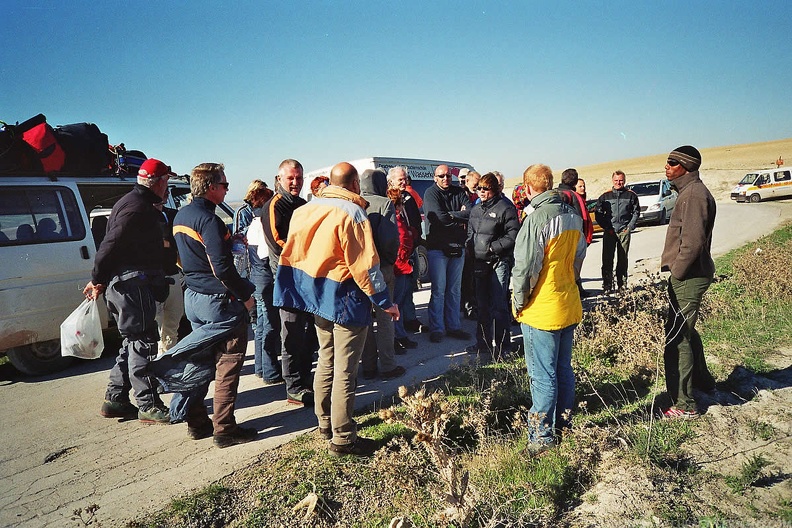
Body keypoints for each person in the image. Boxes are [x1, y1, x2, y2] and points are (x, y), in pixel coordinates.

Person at [274, 162, 399, 457]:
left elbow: (293, 253)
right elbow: (365, 266)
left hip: (317, 297)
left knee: (326, 360)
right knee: (345, 369)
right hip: (345, 298)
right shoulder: (353, 213)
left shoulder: (305, 209)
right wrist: (385, 302)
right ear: (355, 184)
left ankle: (325, 423)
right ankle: (343, 438)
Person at [154, 162, 257, 448]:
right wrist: (246, 295)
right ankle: (224, 428)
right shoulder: (209, 220)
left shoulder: (182, 215)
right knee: (228, 363)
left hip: (194, 297)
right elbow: (222, 269)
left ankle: (196, 422)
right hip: (219, 301)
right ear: (211, 187)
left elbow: (191, 255)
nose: (227, 188)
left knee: (199, 361)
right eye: (224, 184)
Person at [84, 158, 174, 423]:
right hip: (132, 285)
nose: (167, 187)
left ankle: (115, 399)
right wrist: (97, 277)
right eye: (166, 181)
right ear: (157, 182)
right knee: (144, 342)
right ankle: (148, 404)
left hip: (130, 283)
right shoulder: (136, 208)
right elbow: (109, 245)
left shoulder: (134, 202)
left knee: (133, 342)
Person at [512, 164, 586, 450]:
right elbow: (579, 258)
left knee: (542, 376)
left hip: (541, 309)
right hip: (568, 303)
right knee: (563, 369)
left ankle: (541, 438)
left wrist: (519, 302)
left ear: (528, 187)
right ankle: (565, 425)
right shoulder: (572, 214)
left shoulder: (536, 219)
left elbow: (526, 268)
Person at [661, 146, 717, 419]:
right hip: (692, 273)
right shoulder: (689, 192)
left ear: (686, 166)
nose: (667, 167)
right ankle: (704, 382)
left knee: (677, 337)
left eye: (672, 163)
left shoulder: (693, 195)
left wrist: (678, 272)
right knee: (688, 333)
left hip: (689, 275)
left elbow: (692, 243)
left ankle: (684, 404)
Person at [262, 159, 314, 405]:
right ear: (279, 179)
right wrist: (307, 252)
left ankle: (305, 377)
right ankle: (293, 385)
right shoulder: (274, 206)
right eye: (291, 178)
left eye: (299, 178)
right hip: (286, 280)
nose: (295, 183)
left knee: (310, 333)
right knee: (291, 333)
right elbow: (277, 242)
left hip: (308, 279)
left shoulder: (303, 205)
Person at [465, 172, 520, 358]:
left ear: (494, 189)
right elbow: (470, 234)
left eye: (485, 188)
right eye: (479, 188)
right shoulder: (476, 209)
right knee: (482, 306)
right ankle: (483, 344)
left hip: (499, 262)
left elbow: (512, 235)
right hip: (479, 263)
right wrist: (471, 249)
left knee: (499, 305)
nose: (481, 191)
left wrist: (492, 248)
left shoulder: (506, 208)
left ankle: (504, 346)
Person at [359, 168, 406, 379]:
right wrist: (388, 261)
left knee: (365, 319)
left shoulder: (355, 203)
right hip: (381, 267)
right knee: (386, 316)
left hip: (360, 269)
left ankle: (368, 366)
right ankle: (388, 365)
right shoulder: (384, 203)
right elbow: (390, 239)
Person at [423, 164, 471, 343]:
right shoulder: (431, 193)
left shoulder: (458, 191)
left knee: (454, 290)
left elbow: (471, 212)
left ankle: (454, 326)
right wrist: (458, 218)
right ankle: (437, 328)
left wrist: (451, 216)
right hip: (438, 249)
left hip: (457, 246)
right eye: (441, 176)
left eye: (448, 176)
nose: (445, 179)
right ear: (435, 177)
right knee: (439, 290)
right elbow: (439, 218)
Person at [241, 183, 281, 385]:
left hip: (256, 278)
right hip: (265, 279)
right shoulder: (263, 226)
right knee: (270, 326)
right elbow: (267, 256)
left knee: (260, 326)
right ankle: (271, 370)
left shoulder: (252, 225)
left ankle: (260, 367)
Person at [387, 166, 426, 333]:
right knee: (399, 291)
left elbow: (416, 219)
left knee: (411, 286)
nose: (404, 182)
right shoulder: (387, 199)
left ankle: (410, 320)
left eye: (405, 179)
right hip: (398, 253)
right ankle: (399, 327)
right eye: (400, 179)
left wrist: (415, 237)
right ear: (391, 181)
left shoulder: (409, 196)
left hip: (412, 247)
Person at [595, 170, 640, 291]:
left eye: (621, 180)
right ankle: (607, 284)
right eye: (616, 180)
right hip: (610, 232)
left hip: (624, 231)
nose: (618, 183)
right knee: (607, 259)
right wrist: (607, 227)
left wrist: (629, 227)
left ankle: (622, 284)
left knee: (623, 259)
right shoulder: (605, 196)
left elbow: (636, 212)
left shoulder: (631, 195)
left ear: (624, 181)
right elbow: (598, 214)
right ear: (612, 181)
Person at [155, 197, 184, 355]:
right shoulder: (139, 215)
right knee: (154, 325)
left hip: (172, 273)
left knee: (173, 321)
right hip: (150, 278)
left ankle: (166, 361)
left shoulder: (172, 215)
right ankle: (153, 365)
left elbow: (176, 243)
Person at [389, 188, 418, 352]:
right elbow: (400, 241)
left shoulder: (399, 219)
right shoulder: (394, 220)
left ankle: (400, 335)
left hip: (404, 265)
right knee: (396, 303)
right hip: (399, 267)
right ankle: (397, 336)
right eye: (399, 204)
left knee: (401, 300)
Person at [232, 180, 270, 278]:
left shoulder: (264, 209)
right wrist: (254, 227)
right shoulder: (242, 211)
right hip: (247, 258)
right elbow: (237, 237)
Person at [460, 170, 481, 320]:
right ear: (467, 182)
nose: (478, 189)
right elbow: (469, 214)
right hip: (464, 240)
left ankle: (471, 305)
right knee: (466, 277)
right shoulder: (462, 196)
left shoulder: (475, 196)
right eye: (475, 186)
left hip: (475, 239)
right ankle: (468, 306)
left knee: (472, 277)